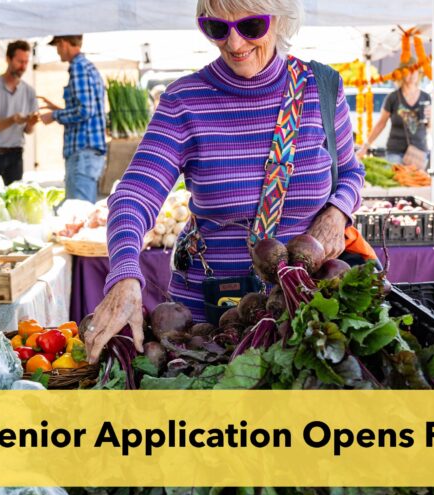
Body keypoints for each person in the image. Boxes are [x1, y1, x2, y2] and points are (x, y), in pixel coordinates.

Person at [83, 0, 365, 362]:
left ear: (280, 19)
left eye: (251, 26)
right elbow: (135, 194)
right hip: (207, 323)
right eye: (217, 28)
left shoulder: (320, 87)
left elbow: (351, 172)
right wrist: (124, 273)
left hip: (301, 311)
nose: (233, 43)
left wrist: (337, 213)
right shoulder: (184, 101)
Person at [39, 35, 107, 203]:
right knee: (81, 210)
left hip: (82, 153)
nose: (57, 51)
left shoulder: (78, 68)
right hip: (87, 153)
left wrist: (54, 116)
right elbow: (87, 109)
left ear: (63, 43)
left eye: (57, 46)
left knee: (78, 212)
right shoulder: (87, 67)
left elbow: (85, 111)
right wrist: (56, 108)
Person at [0, 40, 39, 185]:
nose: (23, 66)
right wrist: (13, 119)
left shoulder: (30, 92)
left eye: (26, 62)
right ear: (8, 59)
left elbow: (28, 130)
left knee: (15, 197)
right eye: (20, 61)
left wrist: (31, 123)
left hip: (15, 154)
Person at [357, 61, 432, 167]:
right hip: (395, 151)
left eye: (415, 71)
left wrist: (431, 117)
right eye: (409, 71)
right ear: (402, 74)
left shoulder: (426, 97)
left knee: (416, 178)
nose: (412, 74)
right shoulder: (393, 98)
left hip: (418, 152)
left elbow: (429, 127)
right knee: (395, 176)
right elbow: (381, 123)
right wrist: (365, 146)